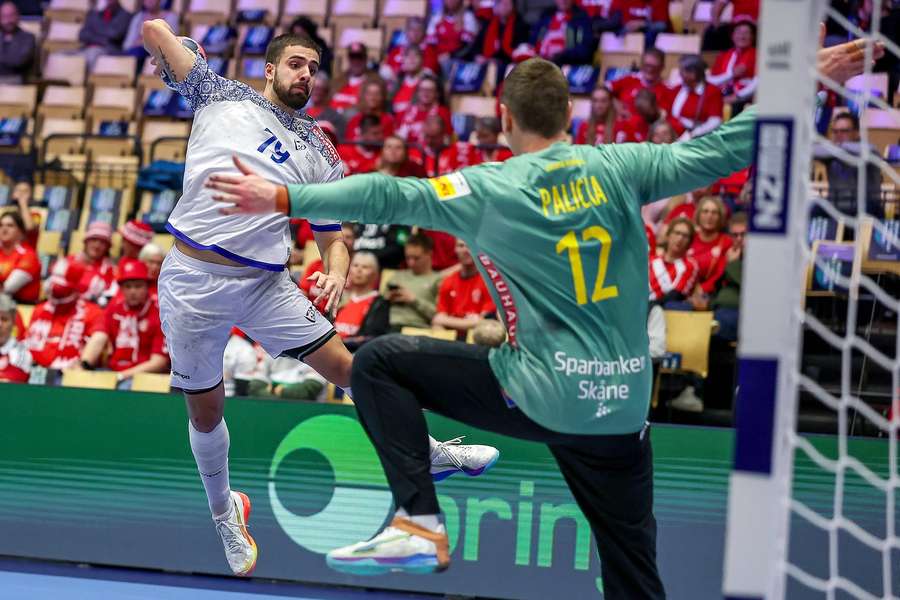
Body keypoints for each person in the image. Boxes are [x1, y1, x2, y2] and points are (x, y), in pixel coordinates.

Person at [208, 38, 878, 590]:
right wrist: (804, 84)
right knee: (633, 572)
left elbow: (389, 194)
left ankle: (420, 522)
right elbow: (726, 147)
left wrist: (283, 196)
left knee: (380, 362)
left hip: (542, 394)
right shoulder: (623, 165)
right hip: (621, 410)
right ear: (569, 117)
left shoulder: (492, 185)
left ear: (505, 119)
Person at [141, 22, 500, 577]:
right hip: (192, 280)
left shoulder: (320, 149)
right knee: (206, 412)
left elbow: (334, 237)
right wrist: (180, 52)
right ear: (270, 68)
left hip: (265, 285)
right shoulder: (217, 93)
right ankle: (224, 510)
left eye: (313, 68)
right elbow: (151, 29)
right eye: (296, 64)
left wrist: (335, 273)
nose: (306, 75)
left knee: (356, 372)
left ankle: (427, 450)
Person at [80, 260, 169, 388]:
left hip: (143, 376)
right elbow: (99, 337)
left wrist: (121, 376)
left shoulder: (159, 314)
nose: (132, 291)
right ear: (121, 289)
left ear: (147, 287)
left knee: (123, 388)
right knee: (82, 383)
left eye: (138, 286)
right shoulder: (114, 309)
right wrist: (83, 366)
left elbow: (158, 363)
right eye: (128, 287)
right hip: (113, 372)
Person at [25, 259, 105, 371]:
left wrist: (83, 365)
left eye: (61, 292)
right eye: (54, 290)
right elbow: (28, 341)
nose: (56, 295)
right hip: (32, 369)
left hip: (67, 373)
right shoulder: (40, 309)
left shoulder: (92, 312)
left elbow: (99, 338)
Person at [432, 239, 496, 339]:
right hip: (451, 338)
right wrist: (470, 323)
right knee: (437, 327)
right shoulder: (448, 281)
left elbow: (484, 321)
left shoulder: (488, 282)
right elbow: (438, 319)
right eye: (461, 246)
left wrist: (447, 321)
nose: (466, 250)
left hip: (477, 338)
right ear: (455, 250)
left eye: (470, 246)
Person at [385, 233, 443, 331]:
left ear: (429, 254)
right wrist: (387, 298)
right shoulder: (397, 276)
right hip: (389, 328)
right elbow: (378, 304)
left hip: (417, 329)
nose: (411, 262)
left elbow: (440, 316)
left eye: (416, 258)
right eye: (408, 258)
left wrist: (413, 300)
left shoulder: (438, 279)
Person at [333, 252, 389, 350]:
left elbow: (370, 338)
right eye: (355, 265)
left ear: (375, 274)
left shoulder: (380, 303)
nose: (359, 270)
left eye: (365, 267)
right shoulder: (338, 297)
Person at [707, 20, 757, 114]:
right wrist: (731, 74)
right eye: (738, 32)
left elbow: (758, 82)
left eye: (746, 33)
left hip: (744, 99)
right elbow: (711, 81)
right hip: (721, 96)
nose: (742, 36)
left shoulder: (758, 55)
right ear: (732, 36)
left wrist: (737, 96)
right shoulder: (723, 56)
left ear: (752, 37)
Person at [669, 55, 724, 140]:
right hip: (673, 134)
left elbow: (715, 121)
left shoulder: (712, 91)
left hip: (697, 137)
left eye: (682, 71)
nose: (679, 74)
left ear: (693, 73)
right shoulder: (678, 89)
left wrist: (693, 134)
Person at [648, 217, 699, 307]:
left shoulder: (690, 265)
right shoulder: (651, 261)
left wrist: (650, 305)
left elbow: (677, 294)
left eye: (685, 236)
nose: (680, 238)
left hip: (663, 311)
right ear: (668, 235)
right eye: (677, 233)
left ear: (690, 242)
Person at [610, 48, 672, 116]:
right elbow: (603, 90)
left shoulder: (668, 90)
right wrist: (617, 106)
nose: (650, 69)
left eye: (654, 67)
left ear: (662, 67)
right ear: (641, 64)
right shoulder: (629, 80)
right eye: (647, 65)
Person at [531, 0, 594, 66]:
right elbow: (533, 43)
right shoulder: (546, 16)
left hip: (565, 64)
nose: (563, 0)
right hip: (539, 61)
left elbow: (584, 51)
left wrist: (561, 56)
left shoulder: (581, 18)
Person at [69, 222, 117, 305]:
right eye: (94, 240)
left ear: (108, 247)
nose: (97, 245)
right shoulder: (68, 261)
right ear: (86, 242)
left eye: (102, 242)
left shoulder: (112, 271)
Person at [78, 0, 132, 70]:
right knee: (63, 55)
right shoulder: (95, 14)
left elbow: (115, 34)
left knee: (92, 53)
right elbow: (82, 35)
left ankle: (85, 80)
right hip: (86, 48)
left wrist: (94, 32)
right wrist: (103, 37)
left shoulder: (125, 15)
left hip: (109, 49)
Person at [0, 211, 40, 304]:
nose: (4, 229)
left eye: (10, 226)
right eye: (1, 225)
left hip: (21, 309)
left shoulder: (28, 255)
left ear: (21, 231)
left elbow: (8, 288)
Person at [344, 76, 395, 141]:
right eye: (369, 93)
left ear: (383, 97)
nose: (373, 98)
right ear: (363, 96)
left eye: (377, 94)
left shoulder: (388, 121)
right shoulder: (354, 120)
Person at [0, 1, 36, 84]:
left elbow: (18, 61)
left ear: (18, 16)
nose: (8, 20)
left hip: (17, 81)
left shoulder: (28, 38)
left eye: (11, 15)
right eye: (4, 16)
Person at [0, 293, 31, 382]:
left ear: (13, 322)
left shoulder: (23, 352)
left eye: (4, 319)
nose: (0, 324)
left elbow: (15, 379)